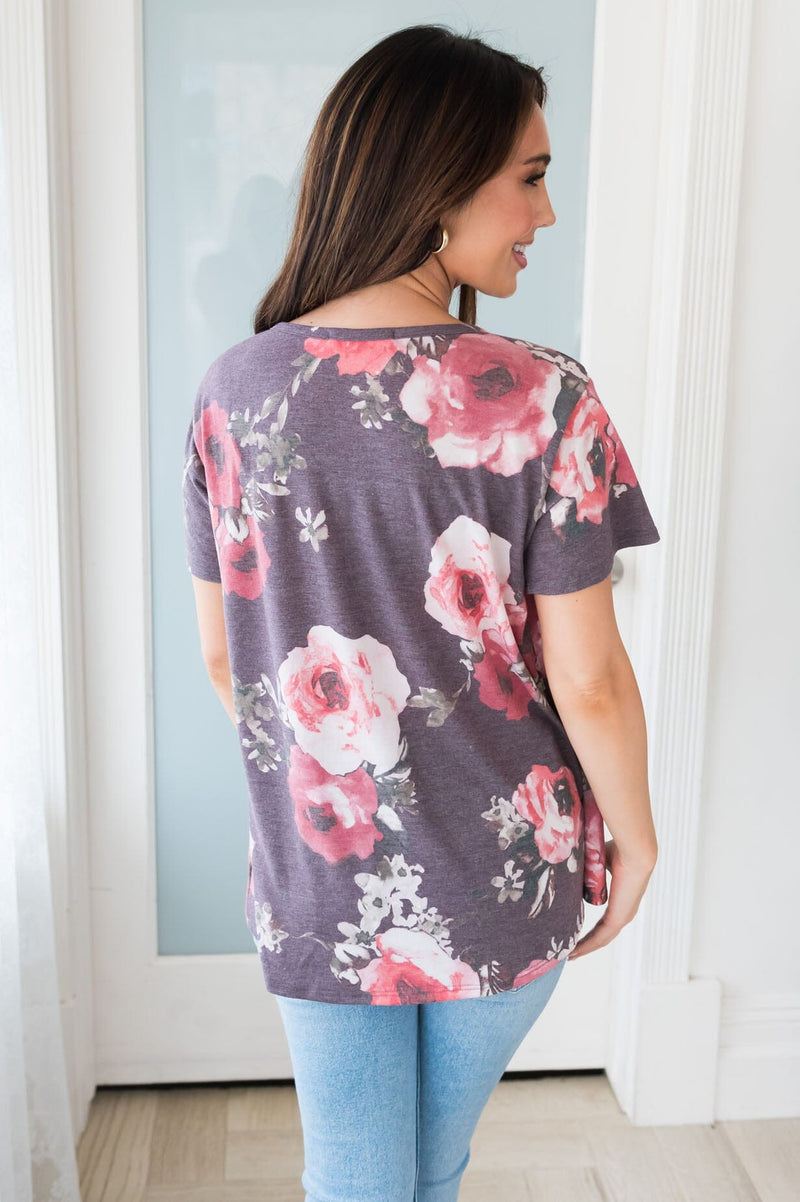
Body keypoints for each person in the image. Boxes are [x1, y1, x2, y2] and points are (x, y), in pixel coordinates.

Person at [182, 22, 661, 1202]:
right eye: (529, 177)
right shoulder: (545, 400)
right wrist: (636, 834)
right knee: (422, 1171)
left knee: (361, 1178)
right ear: (438, 180)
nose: (545, 213)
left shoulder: (234, 393)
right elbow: (586, 678)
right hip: (507, 866)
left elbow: (226, 659)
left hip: (320, 876)